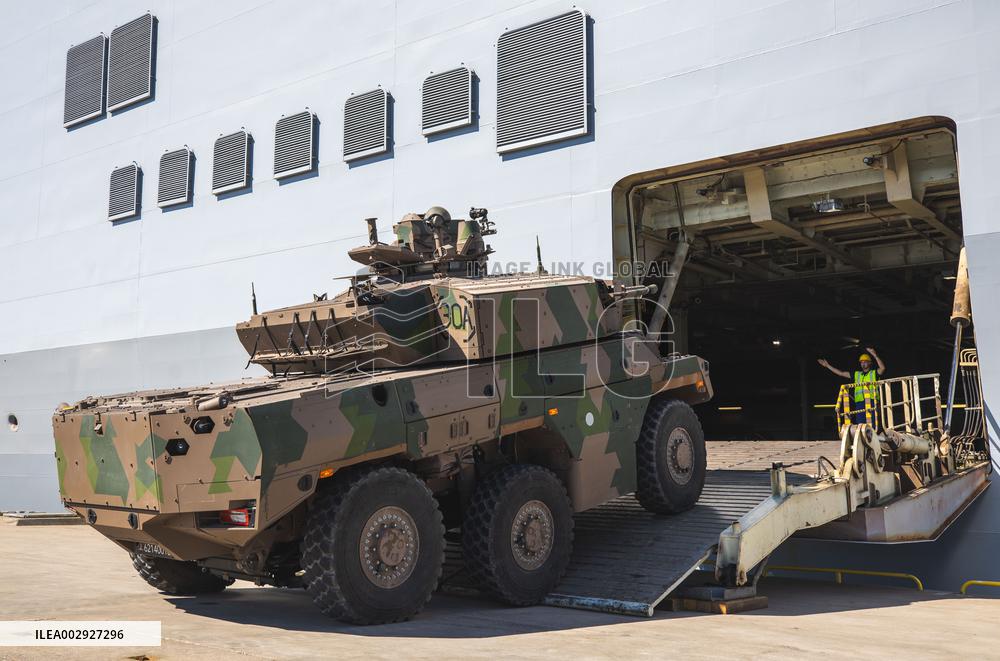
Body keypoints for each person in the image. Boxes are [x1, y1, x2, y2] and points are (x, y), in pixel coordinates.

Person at [817, 347, 886, 424]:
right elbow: (841, 373)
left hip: (872, 401)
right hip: (859, 403)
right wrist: (827, 366)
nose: (863, 364)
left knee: (872, 424)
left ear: (870, 363)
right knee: (860, 424)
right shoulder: (857, 374)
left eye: (865, 362)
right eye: (861, 362)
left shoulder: (874, 373)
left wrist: (875, 355)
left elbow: (882, 368)